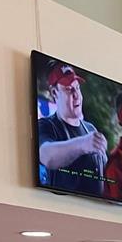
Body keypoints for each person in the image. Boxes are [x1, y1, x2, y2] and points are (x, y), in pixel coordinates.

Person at [37, 61, 107, 196]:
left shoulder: (91, 129)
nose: (76, 95)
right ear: (54, 93)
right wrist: (83, 144)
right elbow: (46, 155)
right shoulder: (47, 125)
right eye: (69, 89)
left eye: (77, 87)